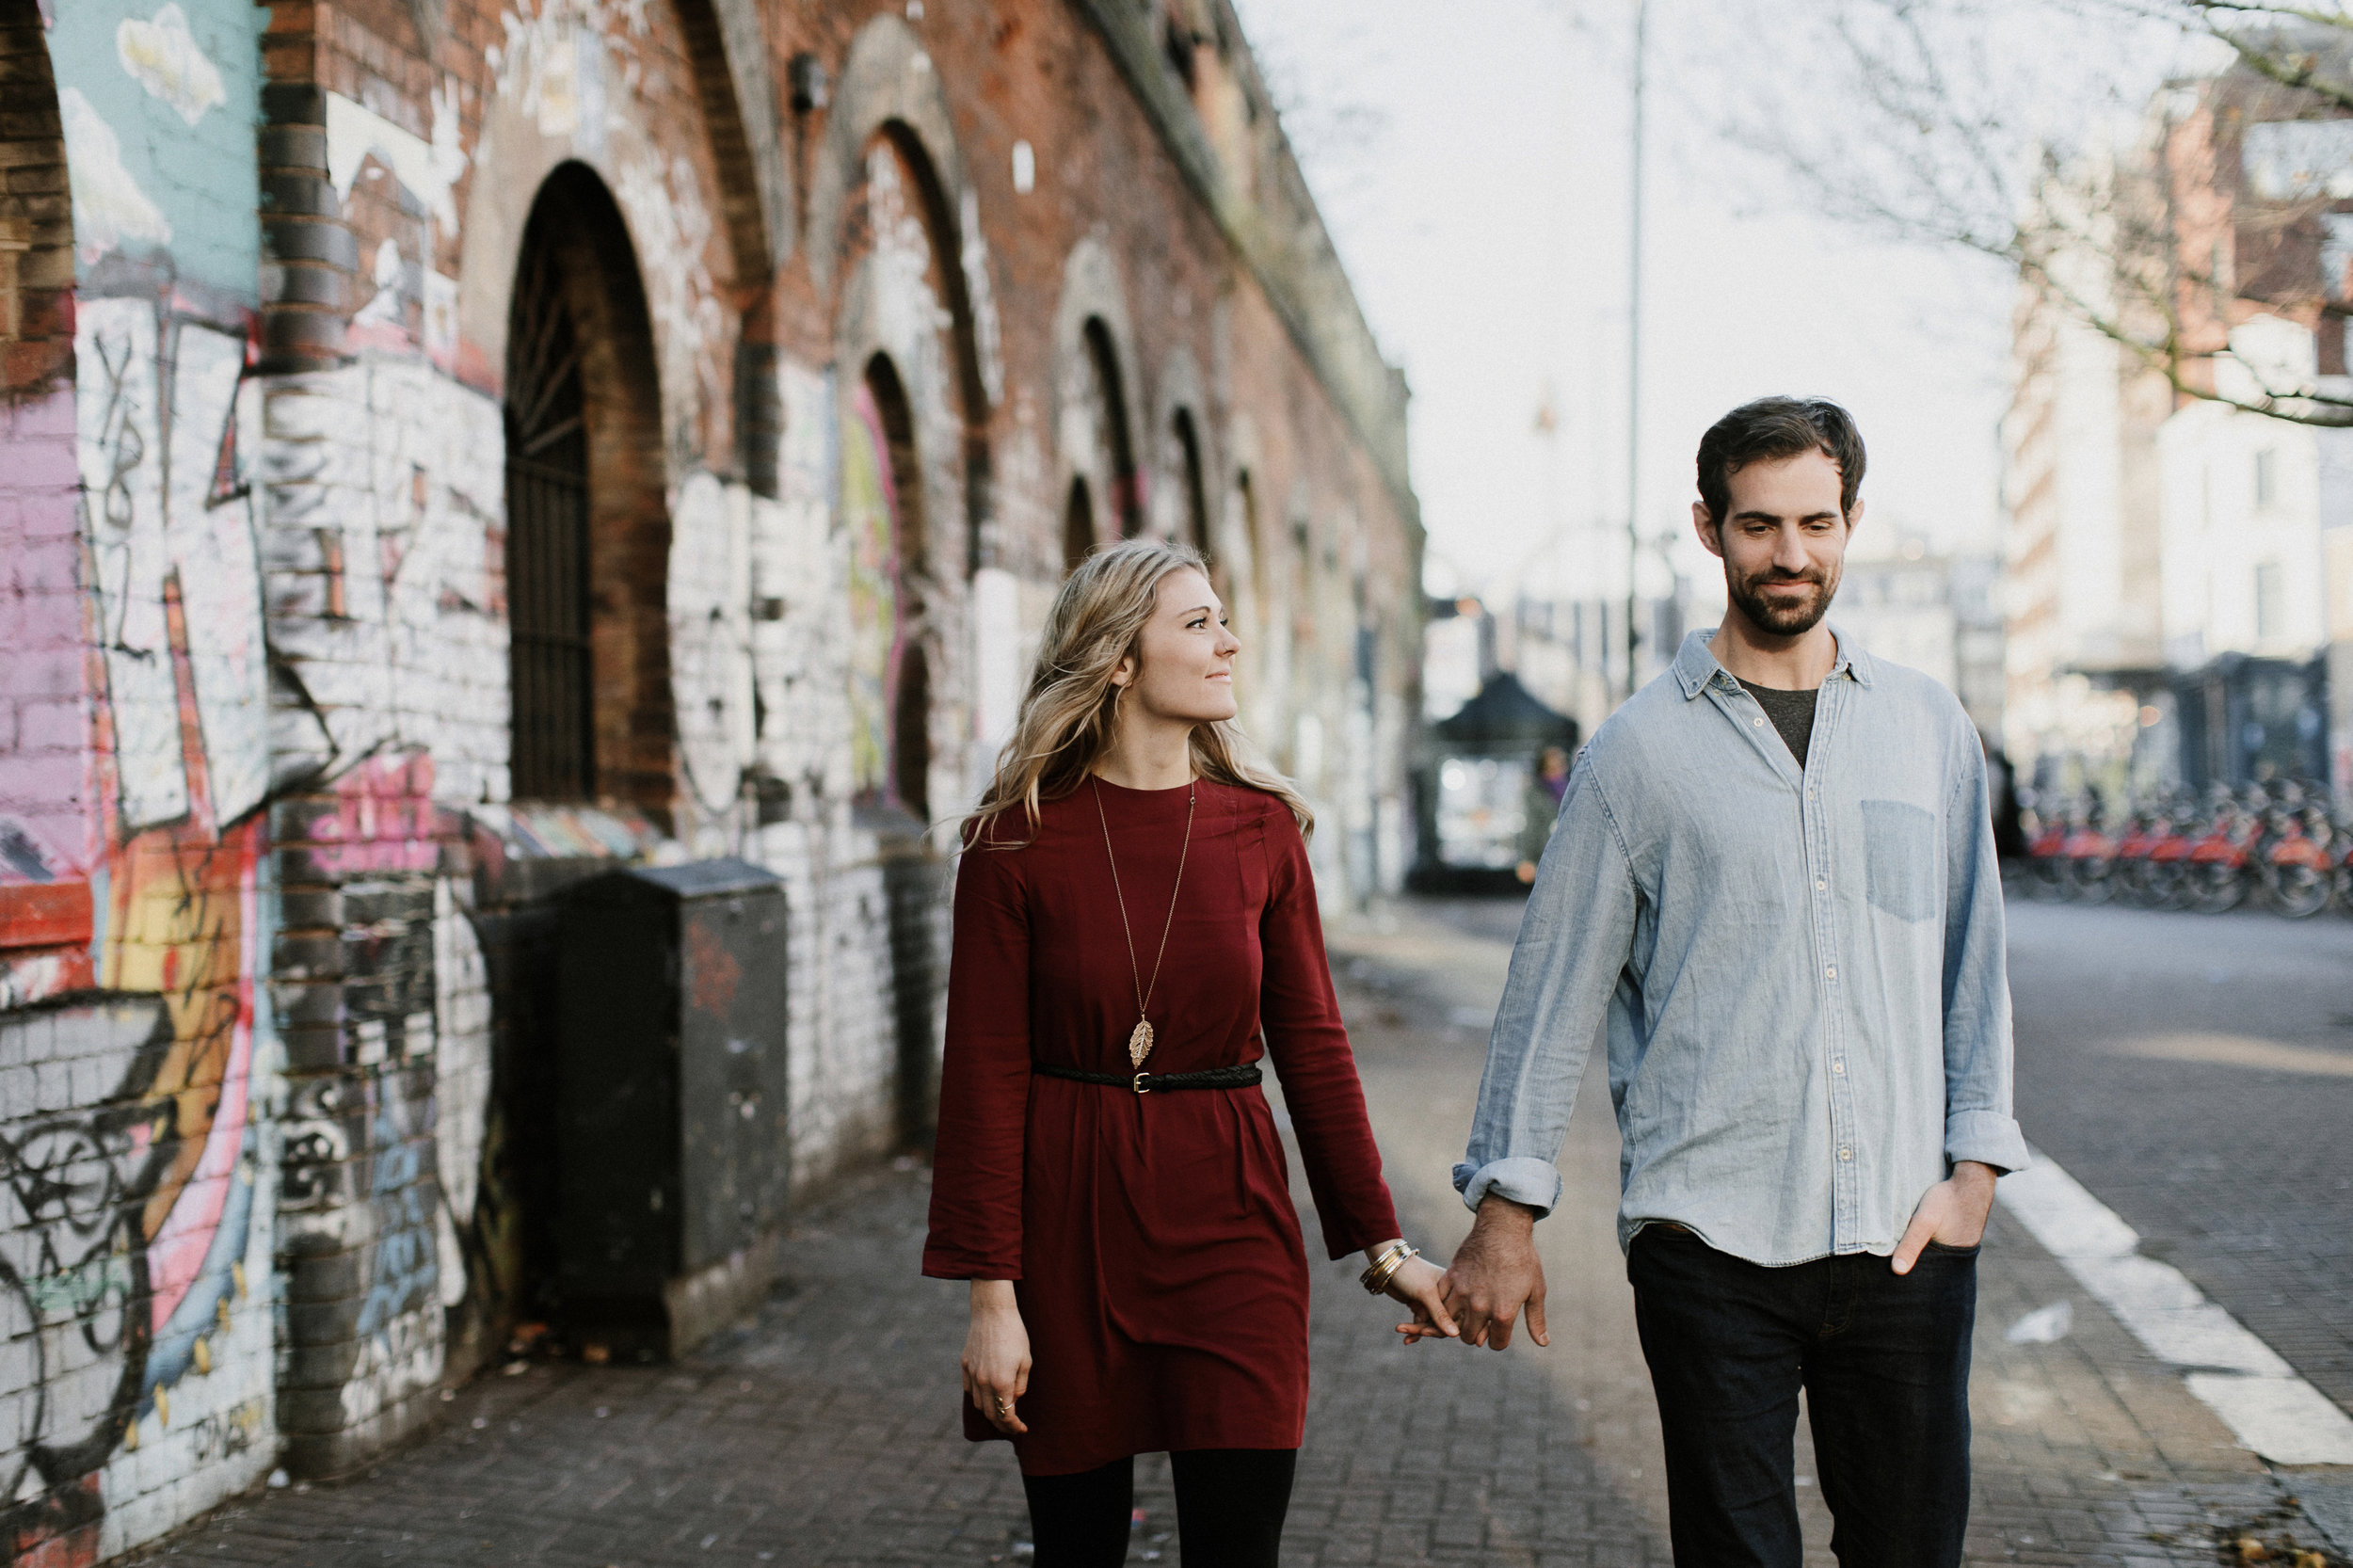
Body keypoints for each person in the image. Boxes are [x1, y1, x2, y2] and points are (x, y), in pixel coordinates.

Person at [1439, 397, 2027, 1567]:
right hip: (1709, 1243)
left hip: (1904, 1238)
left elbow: (1975, 961)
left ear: (1852, 519)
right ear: (1707, 529)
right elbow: (1549, 994)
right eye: (1759, 525)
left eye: (1817, 520)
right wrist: (1505, 1214)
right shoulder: (1633, 756)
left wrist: (1973, 1174)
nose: (1791, 554)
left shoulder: (1928, 729)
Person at [922, 538, 1456, 1568]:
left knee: (1238, 1543)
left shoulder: (1262, 830)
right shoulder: (1012, 843)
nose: (1230, 643)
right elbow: (981, 1080)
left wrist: (1383, 1251)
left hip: (1230, 1210)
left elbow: (1314, 1049)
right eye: (1198, 623)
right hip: (1068, 1224)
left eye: (1222, 619)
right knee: (1077, 1551)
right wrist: (992, 1300)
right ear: (1119, 658)